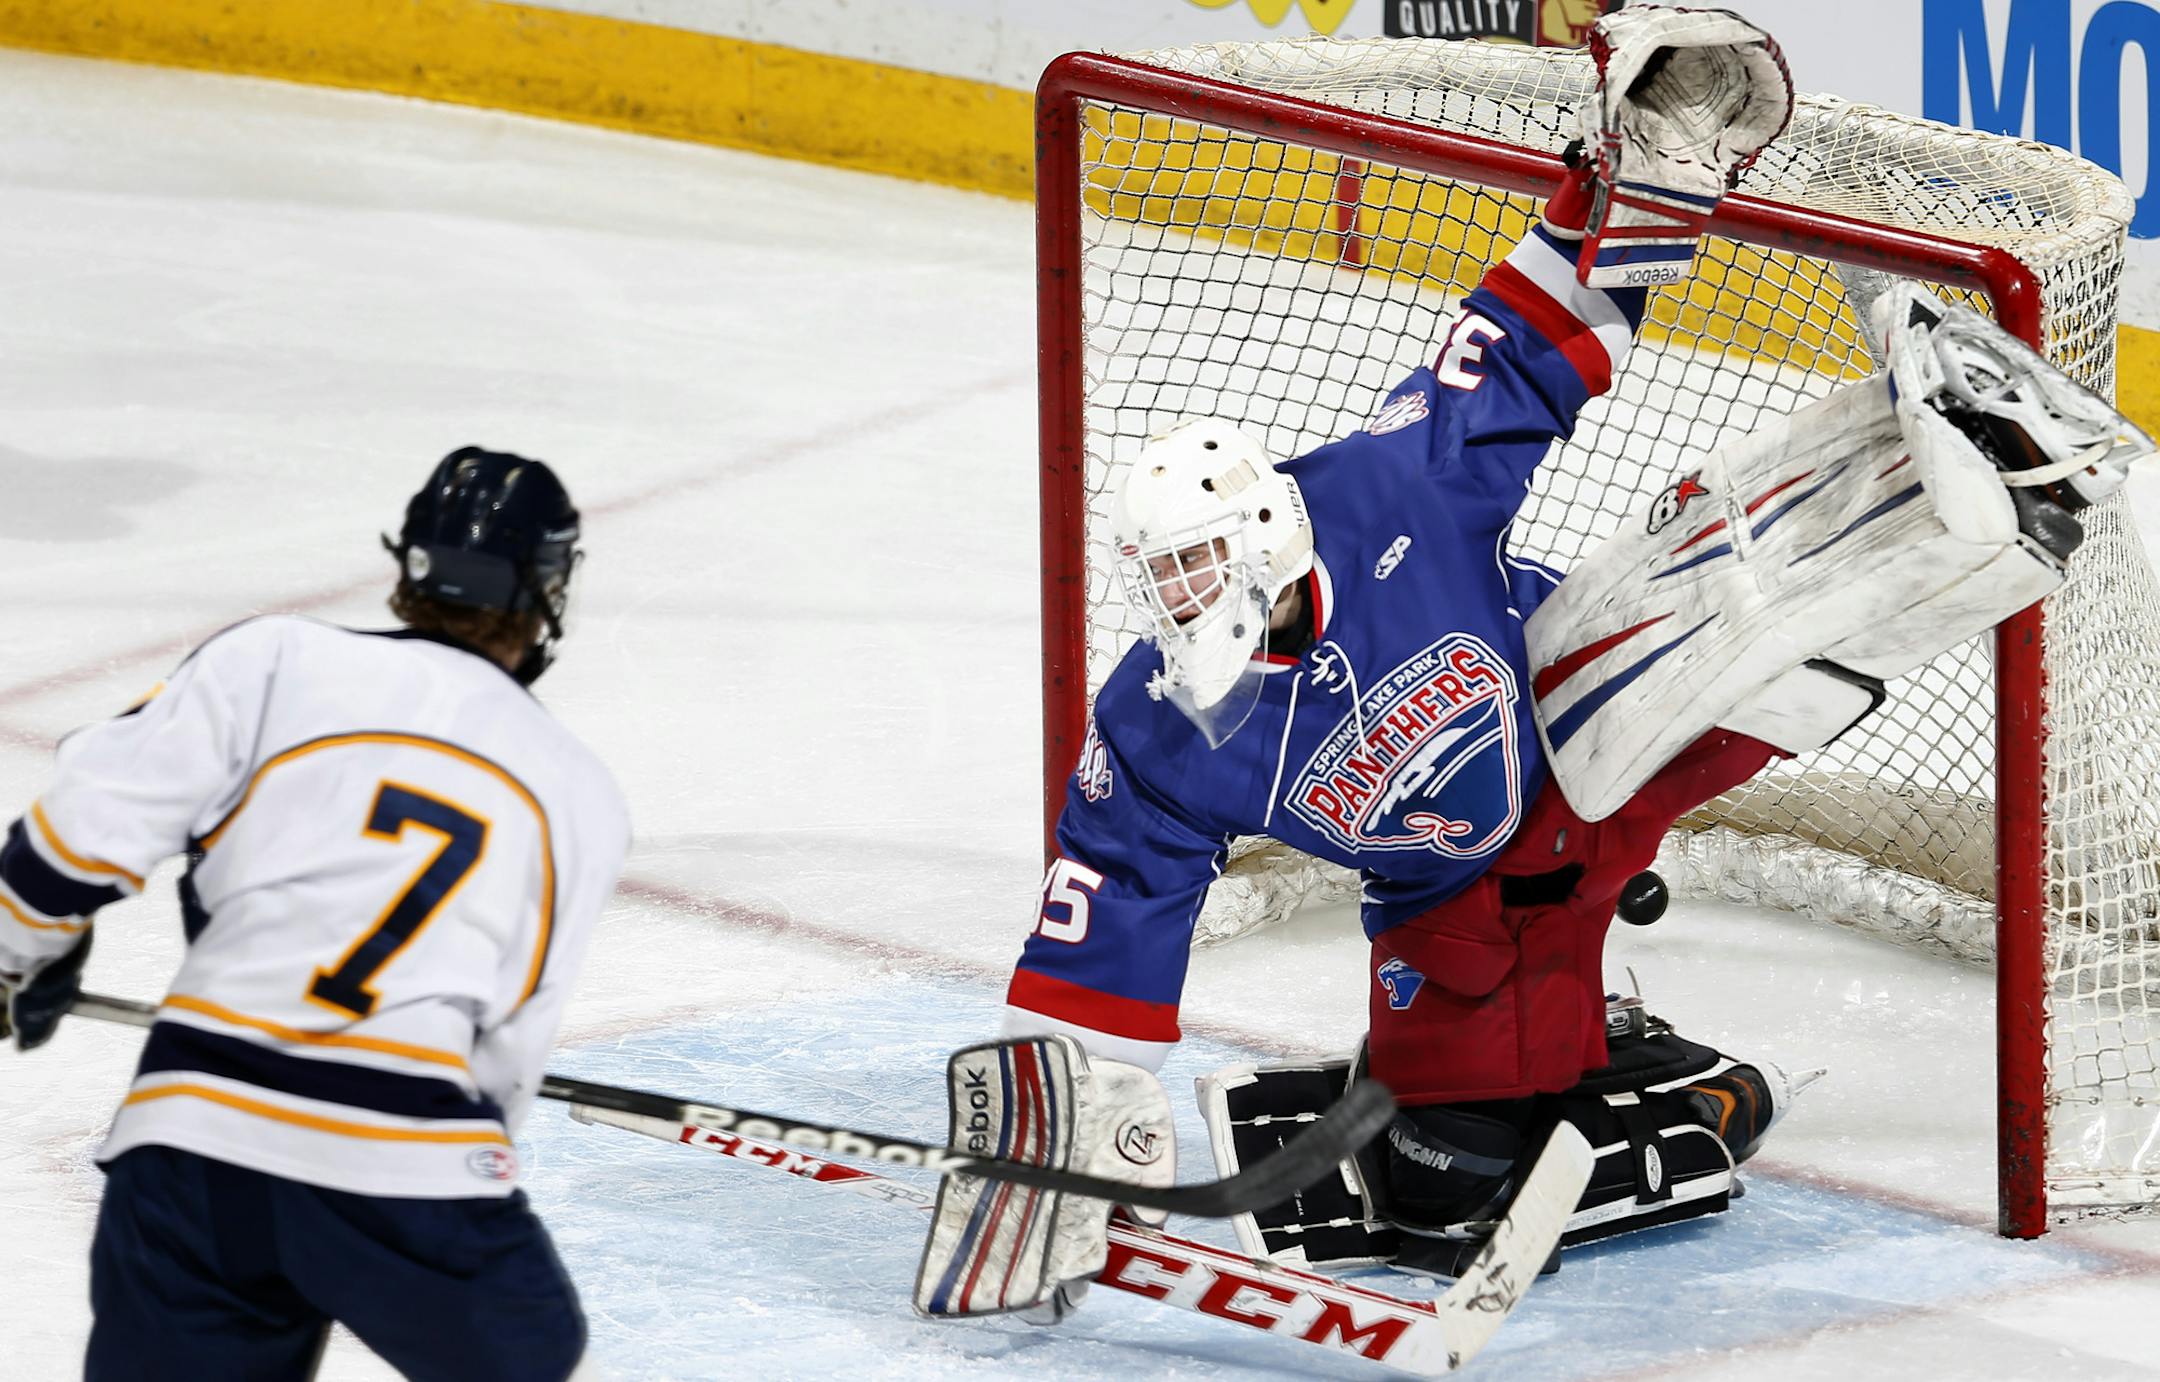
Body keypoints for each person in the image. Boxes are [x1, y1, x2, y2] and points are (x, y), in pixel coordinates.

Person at [915, 6, 2153, 1315]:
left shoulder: (1394, 488)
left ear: (1275, 535)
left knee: (1721, 641)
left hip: (1562, 707)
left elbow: (1516, 346)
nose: (1186, 600)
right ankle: (1567, 1061)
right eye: (1163, 577)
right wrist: (1067, 1116)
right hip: (1441, 893)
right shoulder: (1162, 726)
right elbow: (1110, 897)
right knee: (1446, 1166)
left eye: (1202, 566)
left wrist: (1644, 182)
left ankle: (1972, 501)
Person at [0, 447, 629, 1380]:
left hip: (193, 1140)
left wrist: (20, 959)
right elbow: (508, 1049)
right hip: (401, 1172)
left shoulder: (271, 659)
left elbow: (74, 841)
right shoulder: (578, 788)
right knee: (530, 1349)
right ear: (546, 590)